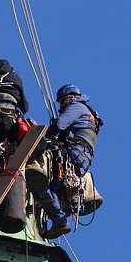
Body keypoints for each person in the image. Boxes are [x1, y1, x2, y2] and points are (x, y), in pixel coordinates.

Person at [40, 84, 103, 239]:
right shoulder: (88, 113)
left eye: (63, 101)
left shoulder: (76, 107)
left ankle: (59, 221)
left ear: (72, 97)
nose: (62, 106)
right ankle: (60, 214)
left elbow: (59, 125)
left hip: (73, 154)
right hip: (81, 157)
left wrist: (46, 139)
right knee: (57, 187)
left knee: (46, 187)